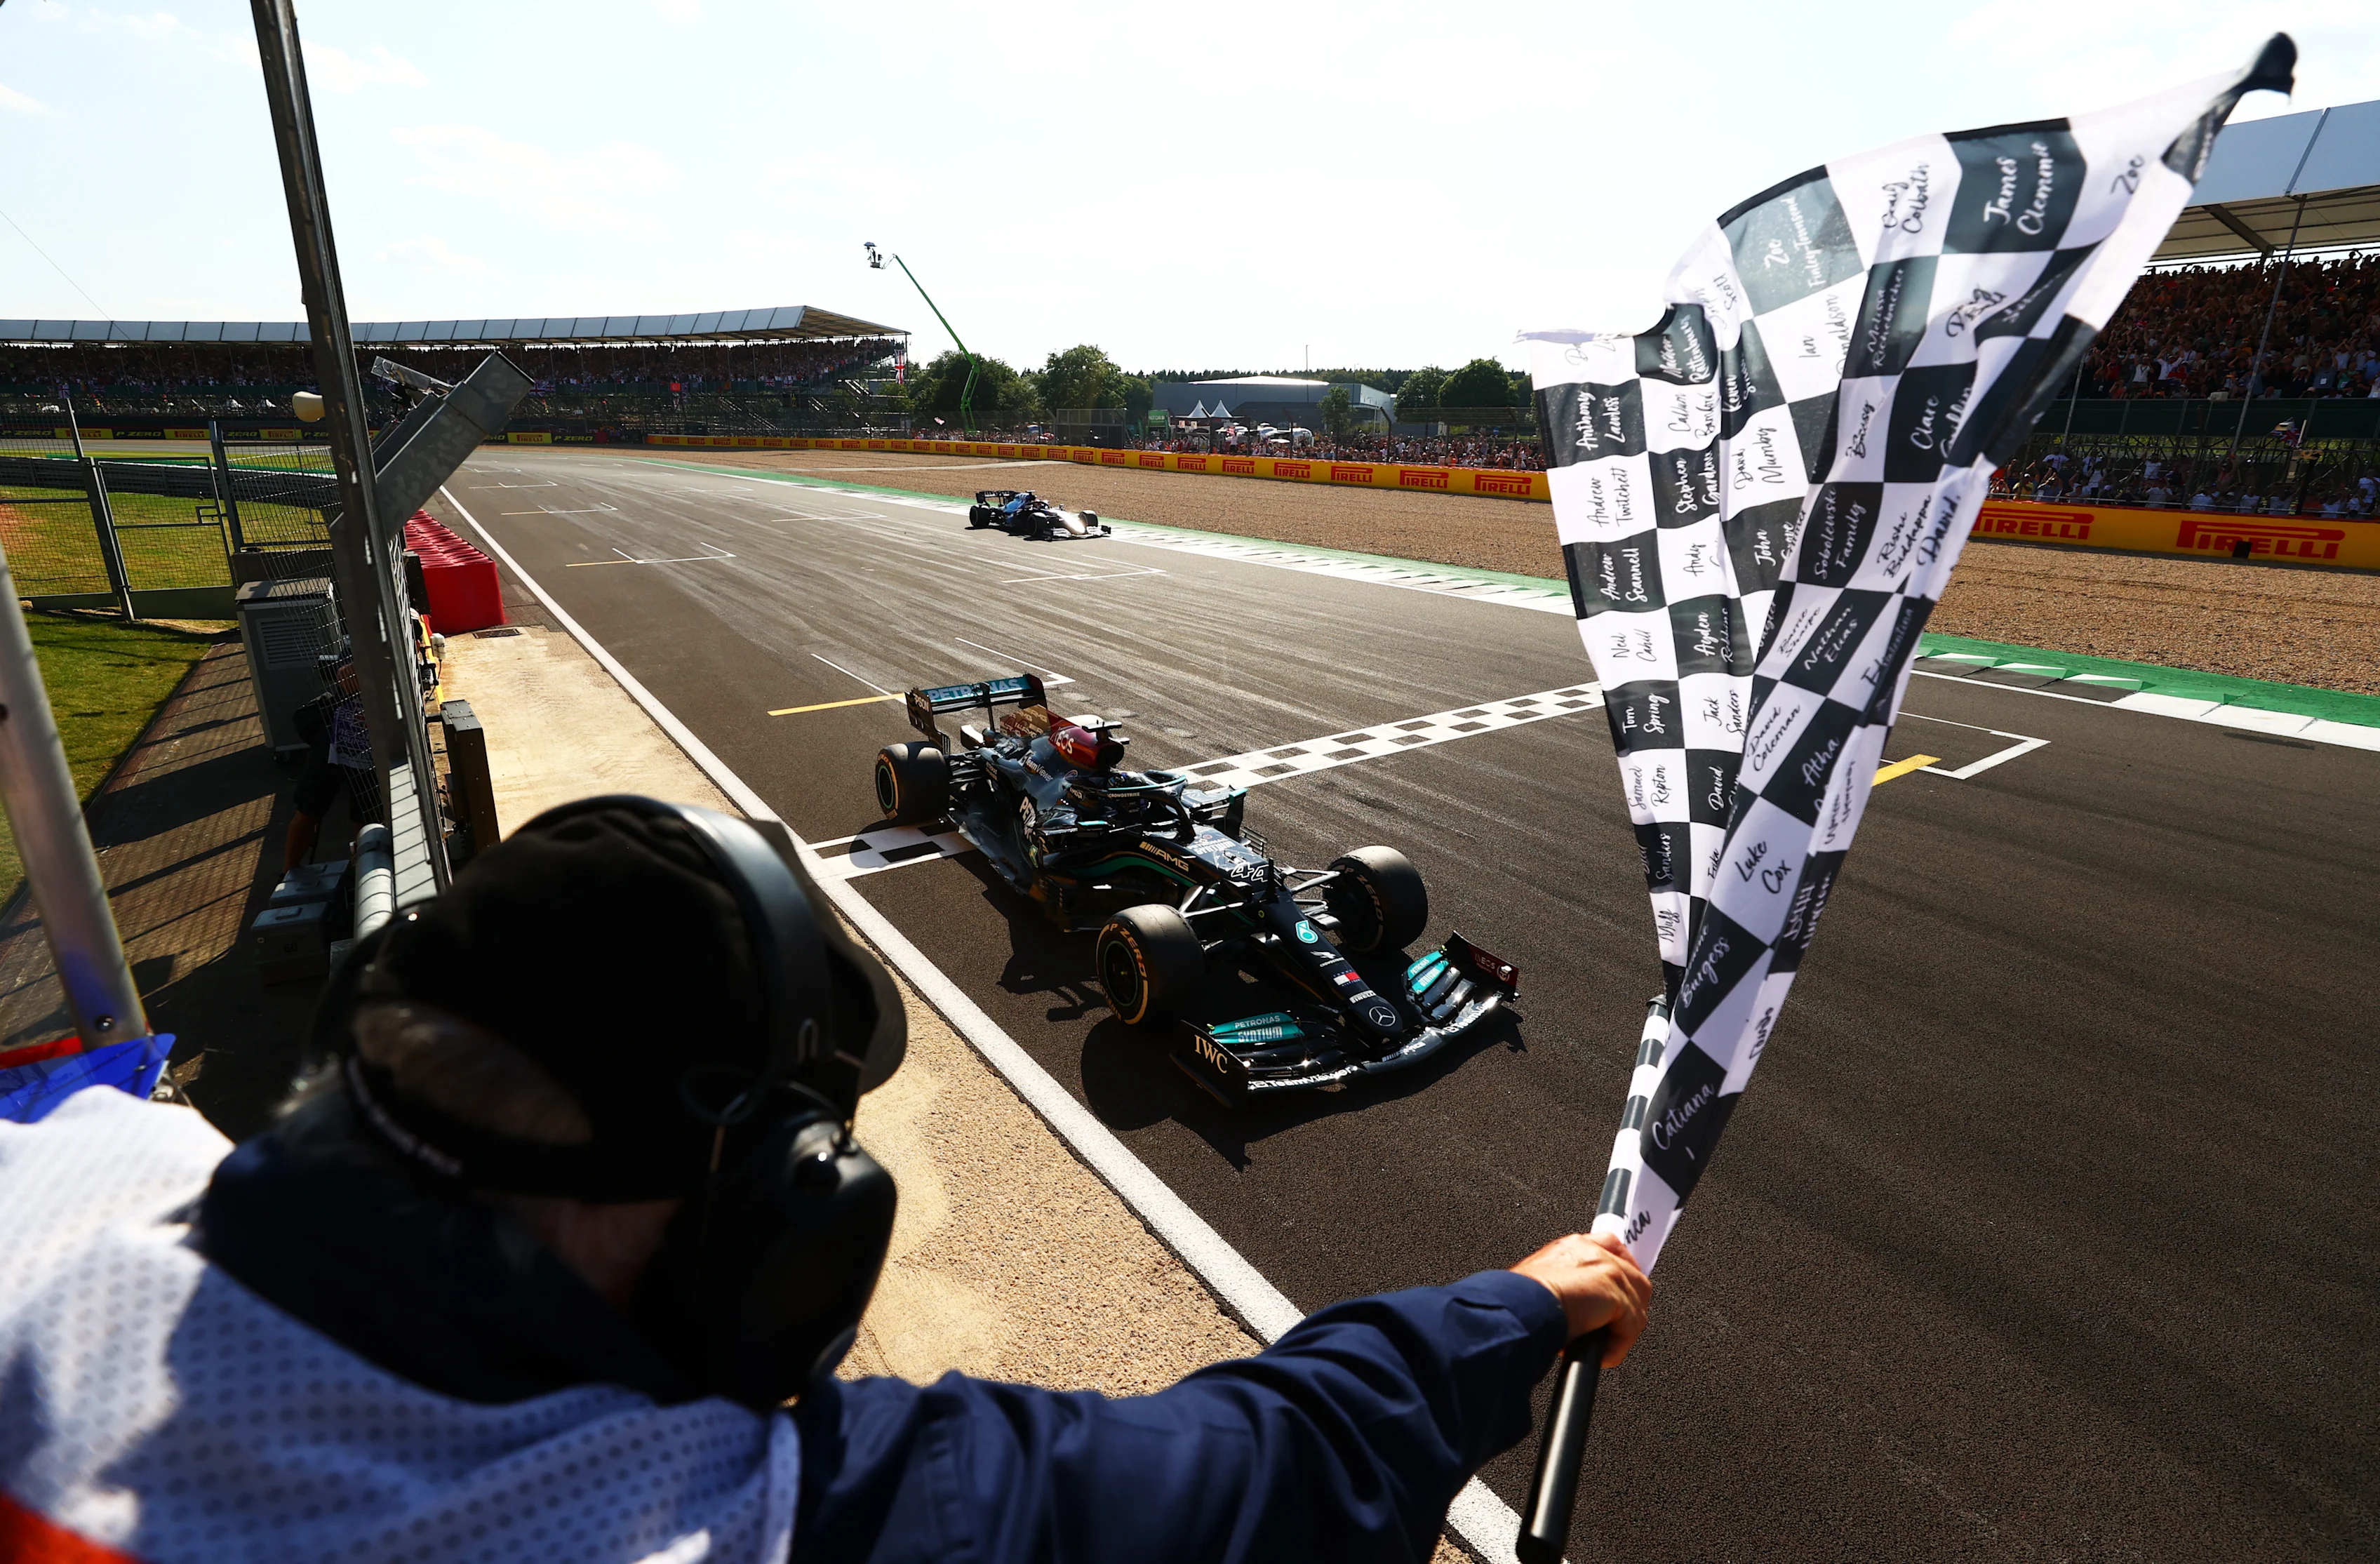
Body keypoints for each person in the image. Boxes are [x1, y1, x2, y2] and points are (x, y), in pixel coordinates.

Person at [0, 800, 1651, 1563]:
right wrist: (1515, 1307)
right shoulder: (753, 1524)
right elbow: (1260, 1464)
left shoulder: (69, 1171)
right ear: (786, 1220)